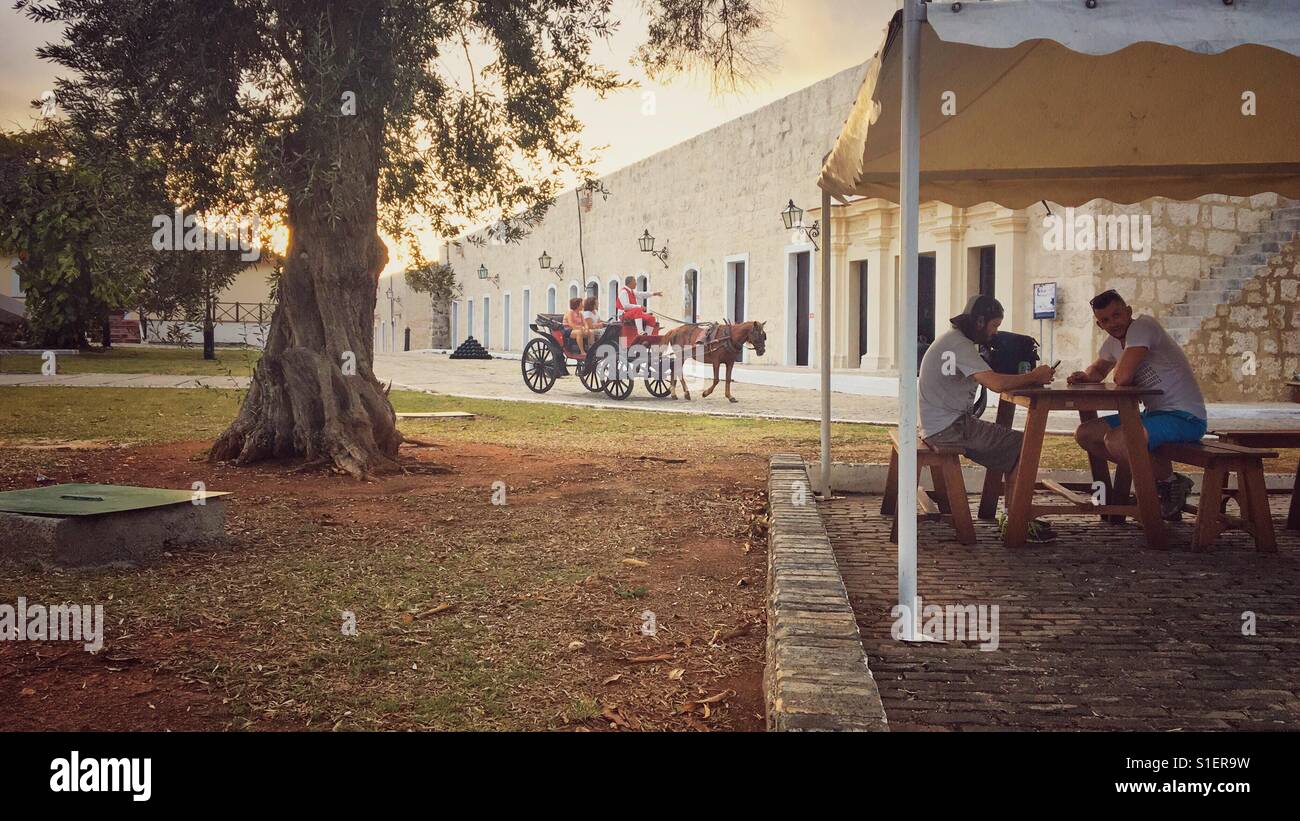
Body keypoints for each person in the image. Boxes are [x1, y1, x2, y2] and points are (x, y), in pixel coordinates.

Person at [919, 294, 1058, 542]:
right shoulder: (960, 345)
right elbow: (995, 384)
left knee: (1010, 443)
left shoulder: (953, 340)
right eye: (994, 326)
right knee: (1023, 446)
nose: (995, 333)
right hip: (948, 427)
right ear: (980, 322)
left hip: (939, 423)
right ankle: (1017, 523)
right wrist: (1034, 376)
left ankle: (1011, 514)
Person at [1069, 289, 1207, 520]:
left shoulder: (1143, 327)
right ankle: (1167, 483)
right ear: (1099, 324)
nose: (1113, 323)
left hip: (1186, 418)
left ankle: (1164, 486)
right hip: (1153, 416)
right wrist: (1085, 375)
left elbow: (1121, 377)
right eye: (1105, 320)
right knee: (1086, 433)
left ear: (1129, 312)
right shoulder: (1114, 341)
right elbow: (1099, 369)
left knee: (1119, 439)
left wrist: (1110, 370)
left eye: (1117, 315)